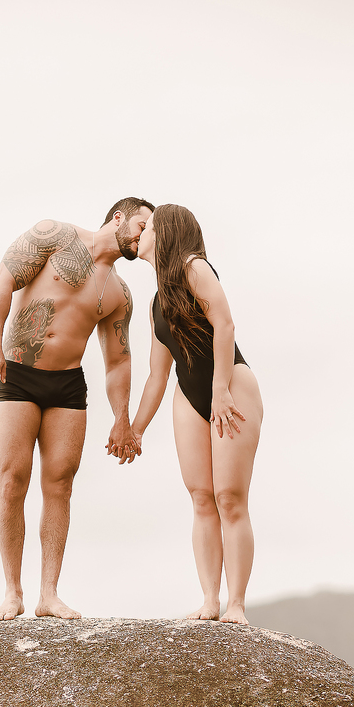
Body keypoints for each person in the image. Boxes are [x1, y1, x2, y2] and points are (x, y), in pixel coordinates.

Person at [0, 197, 154, 621]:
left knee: (60, 484)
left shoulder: (119, 294)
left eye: (150, 232)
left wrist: (122, 418)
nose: (144, 236)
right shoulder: (54, 235)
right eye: (142, 225)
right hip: (18, 372)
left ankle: (49, 594)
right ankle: (11, 592)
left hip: (67, 387)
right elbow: (2, 284)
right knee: (11, 479)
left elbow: (117, 361)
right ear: (119, 217)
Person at [130, 203, 263, 625]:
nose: (139, 233)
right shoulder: (156, 303)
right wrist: (133, 429)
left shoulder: (194, 267)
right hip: (189, 396)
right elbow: (156, 375)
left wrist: (221, 390)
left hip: (231, 385)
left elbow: (224, 326)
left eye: (146, 226)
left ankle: (236, 605)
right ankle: (209, 600)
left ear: (165, 231)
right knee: (201, 497)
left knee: (229, 497)